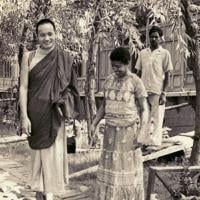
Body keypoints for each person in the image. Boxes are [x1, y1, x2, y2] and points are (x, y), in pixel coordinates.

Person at [19, 18, 81, 200]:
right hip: (35, 115)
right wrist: (24, 116)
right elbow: (23, 87)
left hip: (55, 116)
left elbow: (72, 88)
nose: (46, 38)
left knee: (52, 159)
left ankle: (50, 196)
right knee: (38, 161)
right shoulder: (28, 57)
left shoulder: (64, 58)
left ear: (55, 34)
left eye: (50, 34)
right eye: (42, 35)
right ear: (37, 36)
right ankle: (40, 195)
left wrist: (66, 105)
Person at [92, 47, 148, 200]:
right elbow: (104, 105)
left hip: (129, 134)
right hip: (110, 134)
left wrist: (143, 132)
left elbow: (145, 109)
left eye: (118, 66)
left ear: (128, 63)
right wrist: (94, 123)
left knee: (127, 173)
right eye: (113, 66)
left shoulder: (135, 81)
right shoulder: (109, 80)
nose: (115, 69)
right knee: (111, 171)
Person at [135, 25, 173, 147]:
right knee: (144, 117)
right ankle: (144, 142)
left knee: (157, 118)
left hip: (157, 90)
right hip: (144, 91)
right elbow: (138, 73)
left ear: (161, 38)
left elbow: (167, 75)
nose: (153, 39)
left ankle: (155, 143)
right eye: (151, 37)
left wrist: (164, 93)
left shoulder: (165, 53)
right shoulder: (142, 53)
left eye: (156, 37)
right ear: (148, 38)